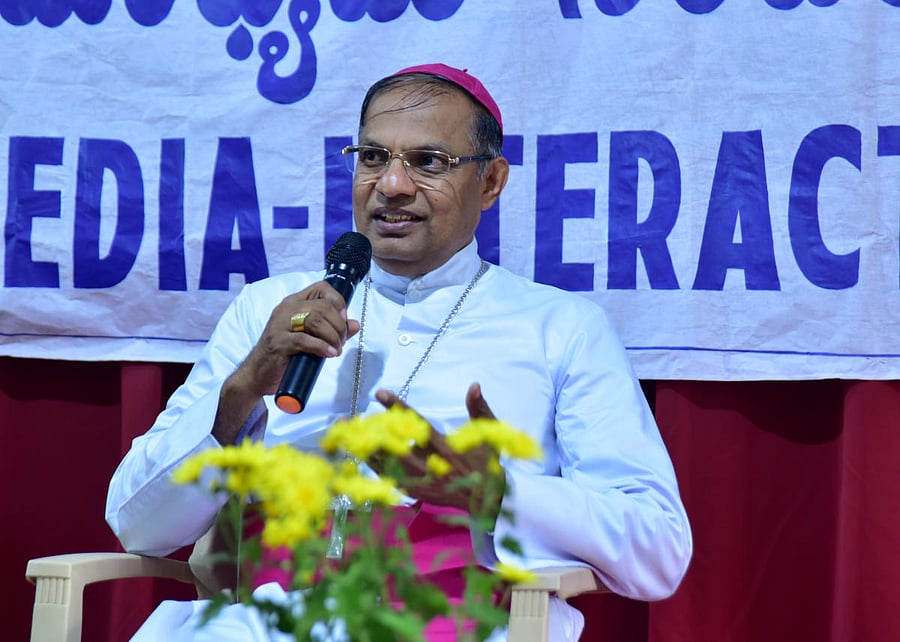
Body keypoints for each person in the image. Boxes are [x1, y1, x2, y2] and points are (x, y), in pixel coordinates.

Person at [106, 63, 692, 641]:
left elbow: (659, 548)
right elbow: (139, 526)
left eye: (428, 162)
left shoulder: (562, 327)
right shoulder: (269, 310)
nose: (391, 185)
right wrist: (238, 395)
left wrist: (500, 493)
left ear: (490, 182)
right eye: (372, 157)